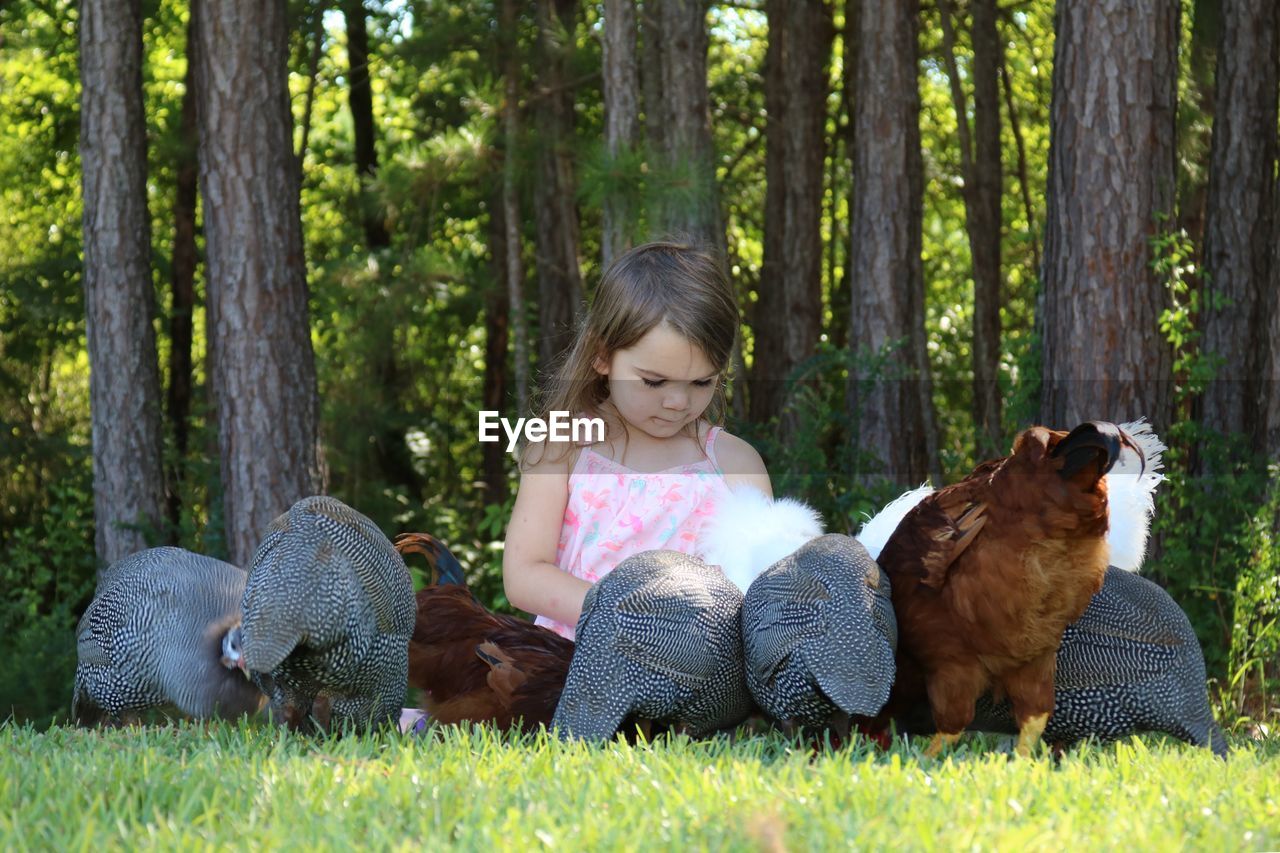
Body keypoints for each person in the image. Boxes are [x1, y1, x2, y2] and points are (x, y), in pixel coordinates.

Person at [503, 241, 772, 640]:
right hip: (571, 671)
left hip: (697, 684)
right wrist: (630, 618)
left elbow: (762, 591)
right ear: (602, 355)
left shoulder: (735, 465)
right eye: (653, 381)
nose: (678, 402)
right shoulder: (562, 447)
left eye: (702, 382)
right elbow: (524, 575)